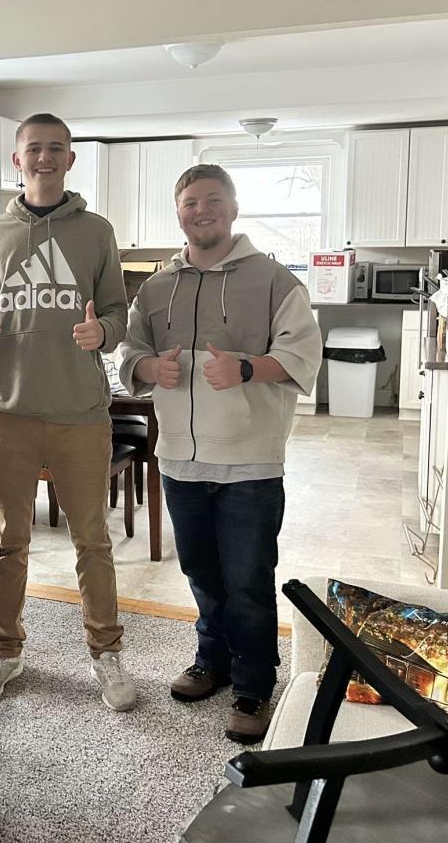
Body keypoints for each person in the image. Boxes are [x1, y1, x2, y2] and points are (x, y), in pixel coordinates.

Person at [117, 163, 322, 743]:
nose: (201, 211)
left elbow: (303, 355)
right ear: (178, 213)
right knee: (202, 574)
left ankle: (254, 684)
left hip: (249, 462)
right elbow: (129, 350)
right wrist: (146, 367)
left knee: (248, 581)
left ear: (233, 209)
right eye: (190, 203)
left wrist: (248, 368)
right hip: (179, 459)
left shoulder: (275, 281)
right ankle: (213, 660)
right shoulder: (156, 288)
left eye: (212, 200)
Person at [0, 113, 136, 711]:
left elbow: (119, 313)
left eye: (57, 148)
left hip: (80, 411)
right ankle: (5, 651)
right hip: (7, 412)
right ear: (18, 159)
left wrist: (102, 332)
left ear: (70, 159)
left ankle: (106, 653)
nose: (45, 157)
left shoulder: (96, 232)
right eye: (34, 148)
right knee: (9, 541)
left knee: (92, 541)